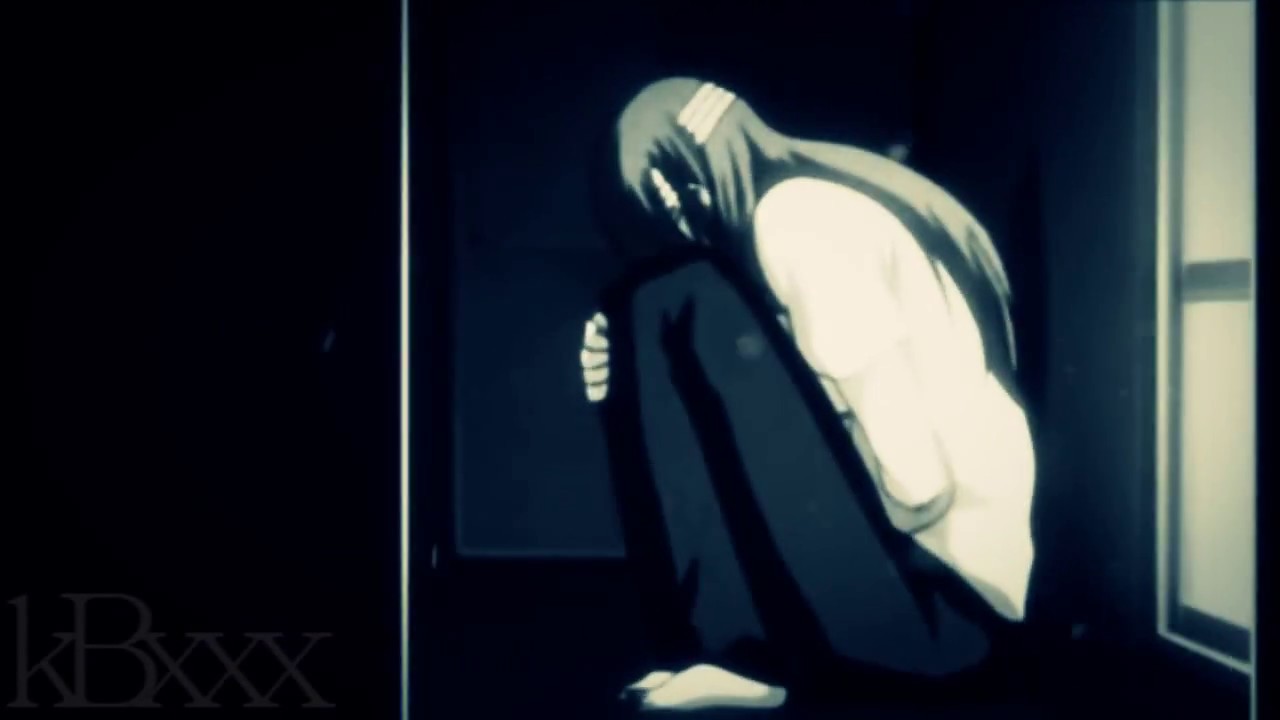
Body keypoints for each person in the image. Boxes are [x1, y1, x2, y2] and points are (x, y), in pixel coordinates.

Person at [580, 77, 1036, 712]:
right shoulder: (809, 205)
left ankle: (744, 654)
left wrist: (790, 445)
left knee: (674, 299)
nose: (686, 227)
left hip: (951, 614)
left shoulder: (796, 221)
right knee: (666, 317)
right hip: (939, 600)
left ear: (689, 179)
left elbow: (920, 488)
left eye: (673, 206)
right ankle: (742, 656)